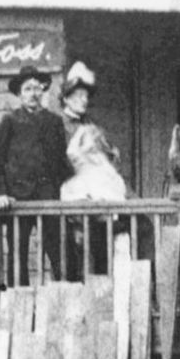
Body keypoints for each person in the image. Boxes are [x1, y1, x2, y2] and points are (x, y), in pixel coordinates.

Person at [0, 65, 70, 287]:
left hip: (49, 198)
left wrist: (70, 189)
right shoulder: (10, 122)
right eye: (27, 89)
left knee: (61, 253)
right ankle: (19, 309)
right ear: (20, 94)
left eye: (37, 88)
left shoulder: (54, 122)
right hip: (18, 200)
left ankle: (64, 302)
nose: (33, 93)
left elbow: (62, 163)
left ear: (43, 92)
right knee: (17, 256)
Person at [57, 61, 124, 278]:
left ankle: (103, 295)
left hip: (99, 194)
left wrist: (110, 154)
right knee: (77, 252)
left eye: (85, 97)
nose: (83, 101)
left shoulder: (91, 126)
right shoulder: (59, 125)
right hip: (74, 193)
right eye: (78, 96)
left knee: (104, 244)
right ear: (66, 98)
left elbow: (105, 157)